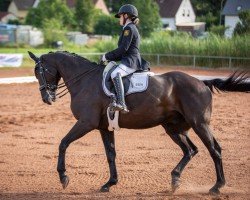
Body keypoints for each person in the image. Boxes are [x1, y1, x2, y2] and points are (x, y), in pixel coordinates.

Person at [100, 4, 148, 114]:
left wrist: (106, 56)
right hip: (128, 59)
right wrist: (109, 58)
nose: (119, 19)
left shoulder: (129, 28)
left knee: (115, 74)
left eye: (120, 16)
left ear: (126, 16)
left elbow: (123, 49)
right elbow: (122, 51)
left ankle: (121, 103)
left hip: (131, 61)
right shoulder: (128, 28)